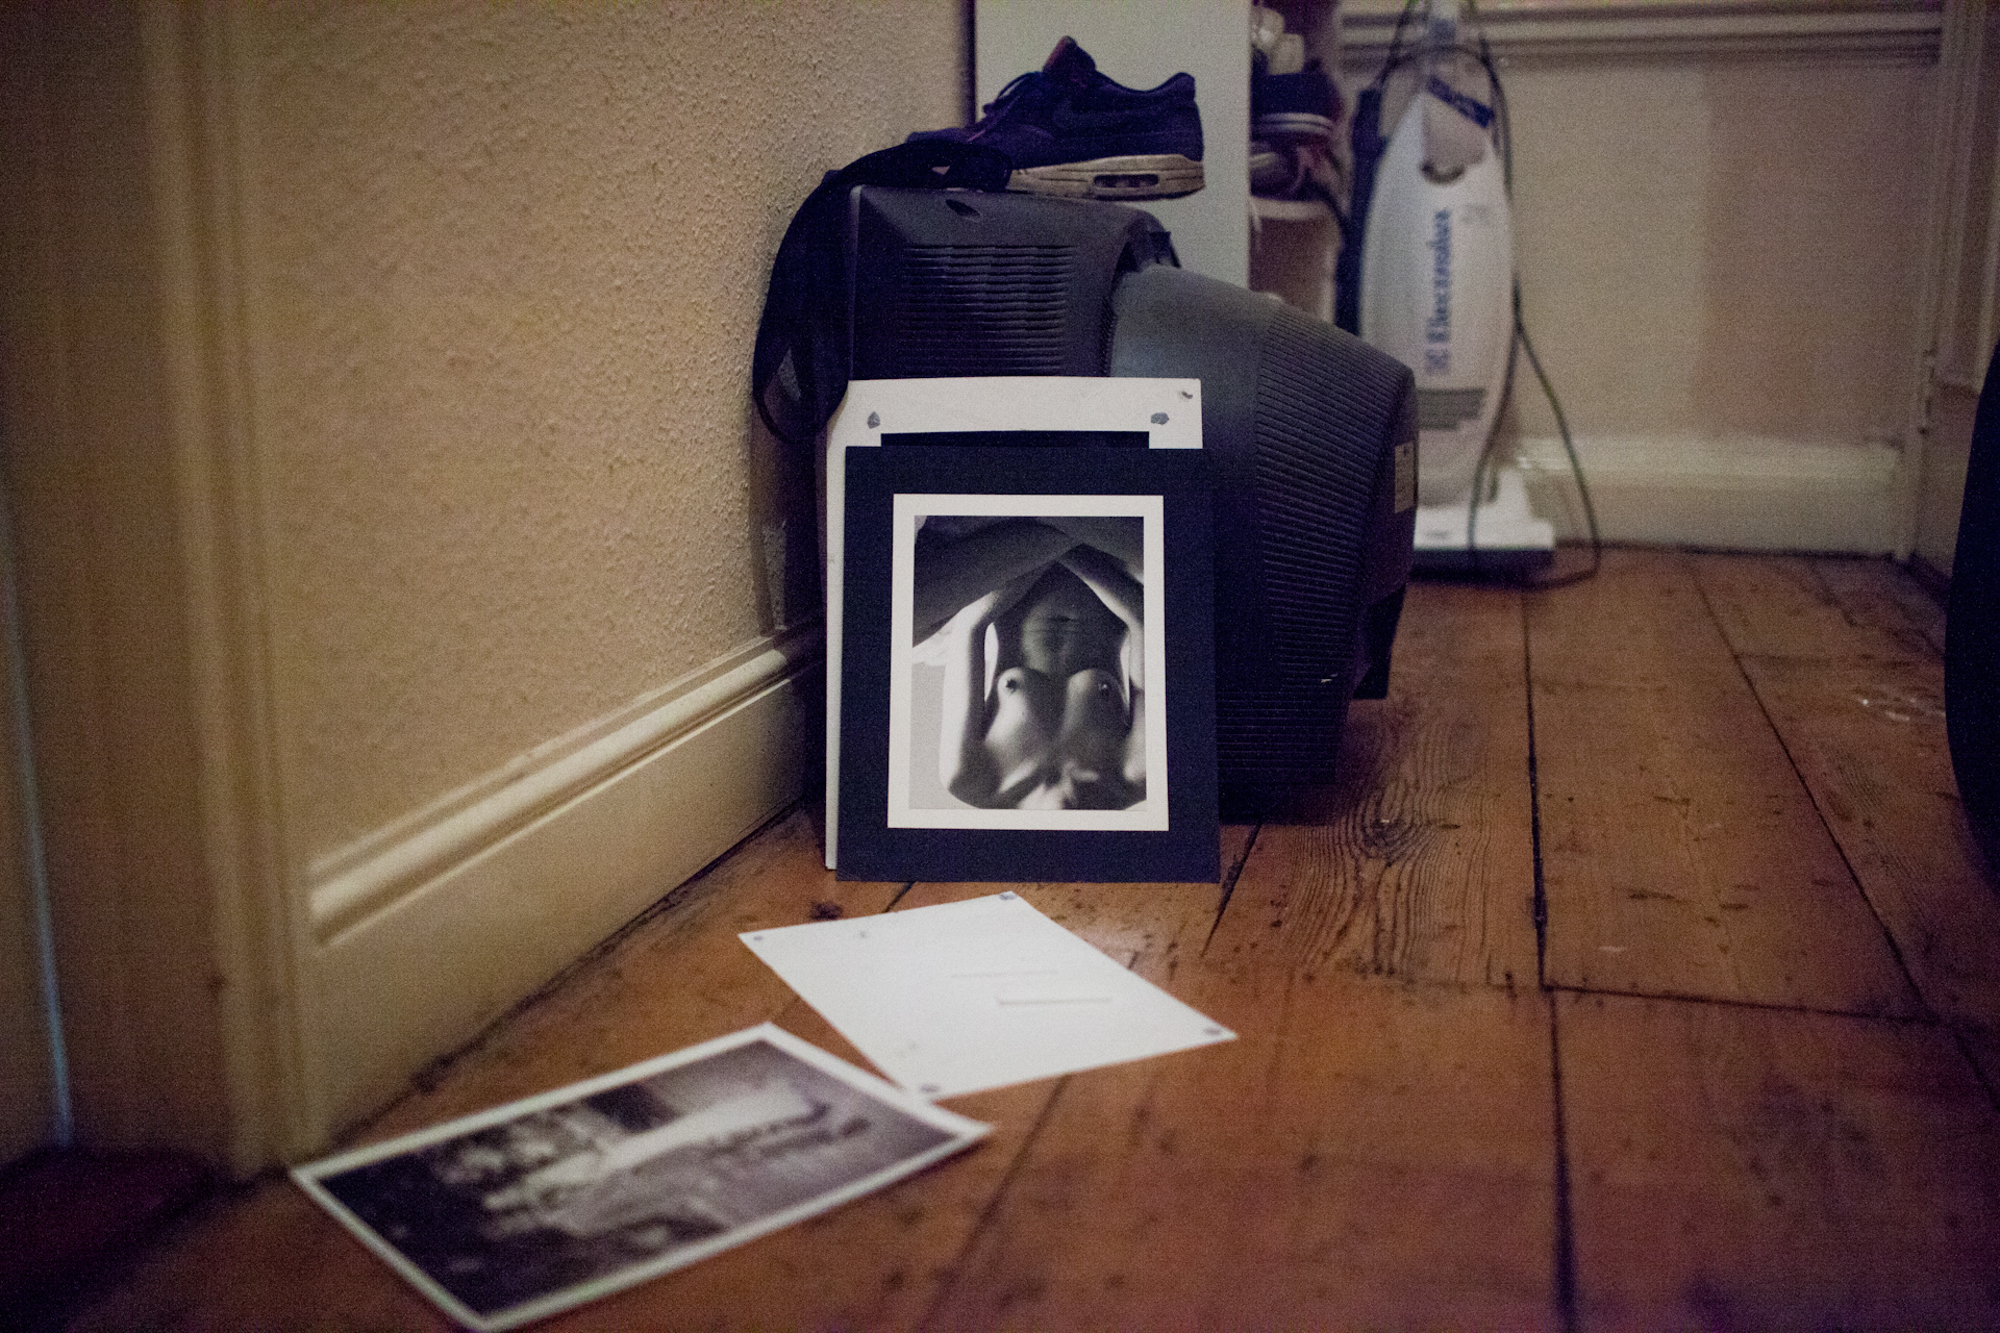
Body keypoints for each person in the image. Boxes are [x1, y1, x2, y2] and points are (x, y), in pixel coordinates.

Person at [910, 514, 1146, 810]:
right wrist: (1072, 541)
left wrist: (1044, 550)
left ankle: (1053, 514)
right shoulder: (1136, 775)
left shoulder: (970, 779)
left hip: (1013, 571)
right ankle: (1060, 515)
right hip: (1106, 566)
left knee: (900, 622)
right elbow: (1143, 619)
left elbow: (971, 626)